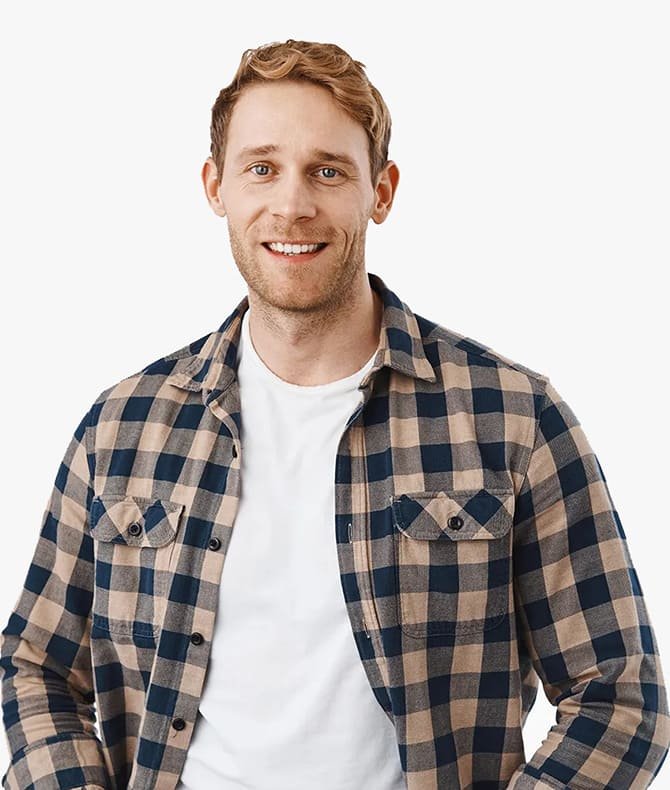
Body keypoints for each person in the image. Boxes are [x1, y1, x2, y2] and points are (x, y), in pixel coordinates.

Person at [1, 38, 669, 790]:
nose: (292, 205)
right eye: (262, 168)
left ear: (381, 192)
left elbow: (620, 695)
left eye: (328, 170)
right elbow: (36, 666)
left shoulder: (512, 419)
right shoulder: (123, 428)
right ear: (216, 187)